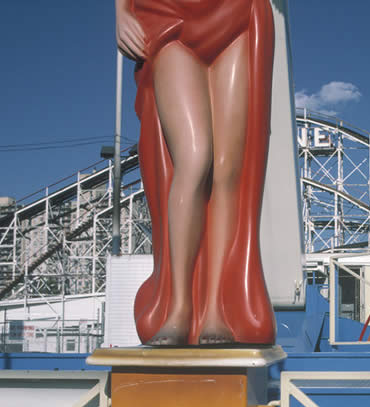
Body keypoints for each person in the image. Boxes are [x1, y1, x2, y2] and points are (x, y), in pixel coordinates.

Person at [116, 0, 277, 346]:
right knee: (193, 157)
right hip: (168, 16)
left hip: (236, 14)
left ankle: (216, 308)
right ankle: (178, 306)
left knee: (227, 169)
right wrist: (121, 11)